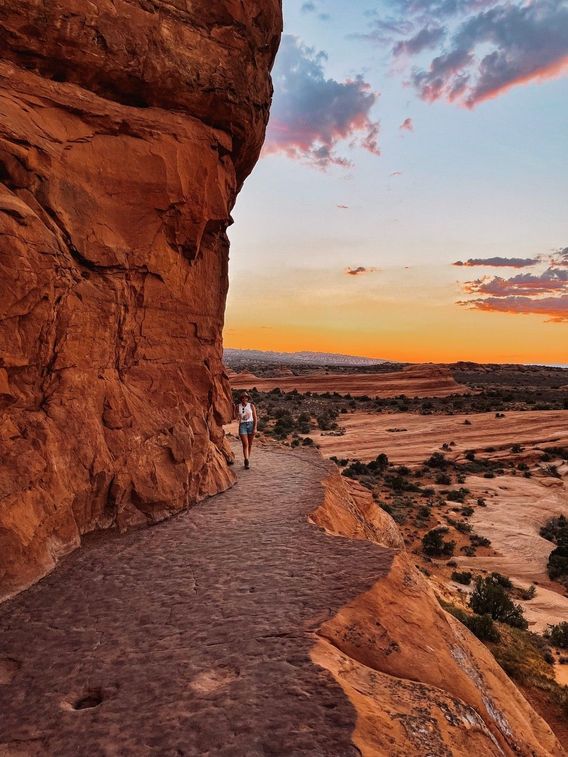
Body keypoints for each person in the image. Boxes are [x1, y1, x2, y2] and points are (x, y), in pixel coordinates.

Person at [234, 392, 257, 469]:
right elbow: (235, 416)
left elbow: (255, 418)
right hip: (242, 425)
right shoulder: (238, 406)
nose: (244, 399)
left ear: (248, 398)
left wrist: (255, 427)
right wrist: (238, 416)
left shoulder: (251, 405)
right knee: (245, 444)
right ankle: (246, 460)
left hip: (251, 424)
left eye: (246, 397)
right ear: (241, 399)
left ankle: (247, 460)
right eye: (243, 398)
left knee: (250, 444)